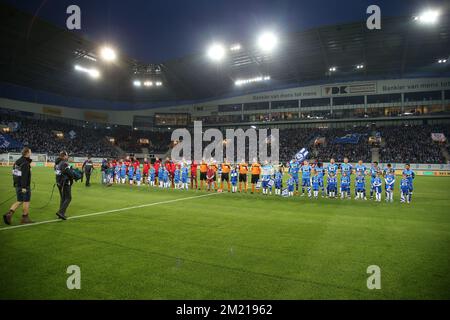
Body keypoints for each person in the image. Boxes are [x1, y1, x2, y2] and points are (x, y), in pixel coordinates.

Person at [3, 147, 33, 225]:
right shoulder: (25, 163)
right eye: (30, 152)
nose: (31, 153)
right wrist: (24, 187)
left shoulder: (17, 162)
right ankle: (25, 218)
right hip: (24, 186)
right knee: (26, 201)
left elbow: (15, 173)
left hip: (17, 184)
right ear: (27, 153)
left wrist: (16, 184)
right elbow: (24, 176)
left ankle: (8, 214)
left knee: (19, 200)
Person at [55, 151, 74, 220]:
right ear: (64, 156)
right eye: (67, 155)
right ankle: (61, 212)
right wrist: (73, 173)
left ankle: (61, 213)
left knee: (63, 198)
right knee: (68, 198)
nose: (68, 156)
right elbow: (70, 174)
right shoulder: (64, 163)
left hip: (59, 182)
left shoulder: (57, 163)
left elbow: (58, 172)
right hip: (65, 182)